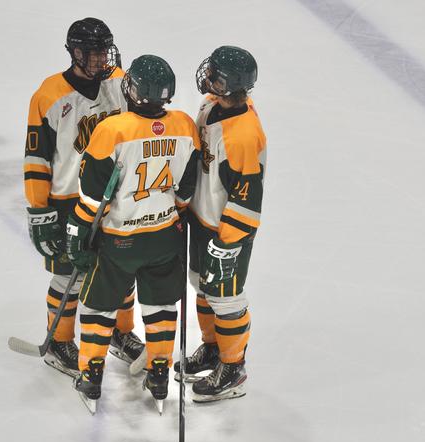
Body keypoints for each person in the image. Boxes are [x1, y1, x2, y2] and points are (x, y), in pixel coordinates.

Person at [66, 54, 200, 412]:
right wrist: (168, 214)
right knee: (160, 306)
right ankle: (159, 372)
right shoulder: (185, 125)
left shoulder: (112, 129)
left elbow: (92, 196)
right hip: (164, 236)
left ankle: (91, 375)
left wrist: (78, 232)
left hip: (119, 240)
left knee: (99, 306)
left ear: (132, 91)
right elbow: (187, 190)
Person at [23, 18, 143, 378]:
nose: (101, 58)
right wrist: (40, 212)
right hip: (69, 200)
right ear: (75, 52)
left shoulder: (120, 82)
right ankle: (59, 342)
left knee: (122, 269)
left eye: (104, 50)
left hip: (115, 195)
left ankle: (121, 332)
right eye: (93, 52)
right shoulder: (49, 96)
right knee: (68, 276)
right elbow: (36, 160)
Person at [174, 46, 266, 403]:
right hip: (202, 218)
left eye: (214, 75)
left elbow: (247, 199)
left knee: (226, 298)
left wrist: (227, 244)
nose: (207, 77)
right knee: (202, 286)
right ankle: (213, 348)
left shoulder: (244, 136)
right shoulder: (210, 104)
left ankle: (234, 368)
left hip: (227, 231)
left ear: (228, 84)